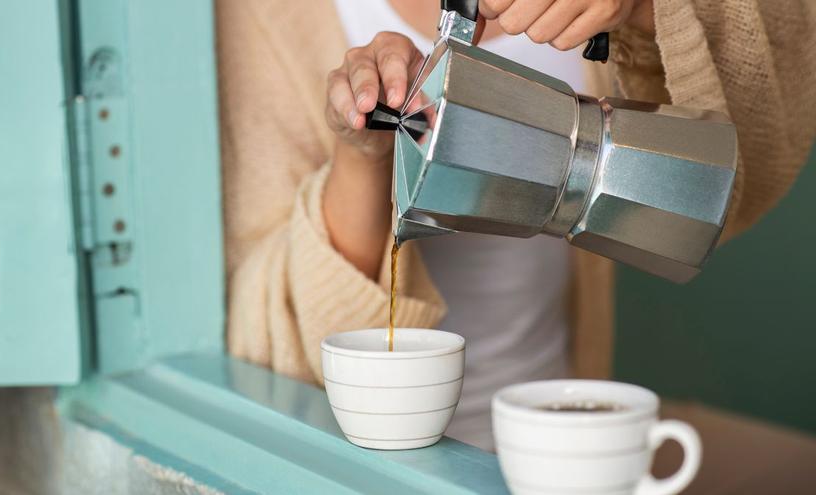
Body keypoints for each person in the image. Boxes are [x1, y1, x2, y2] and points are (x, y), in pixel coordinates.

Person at [216, 0, 815, 451]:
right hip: (354, 470)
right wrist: (363, 156)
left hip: (558, 444)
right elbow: (264, 350)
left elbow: (740, 171)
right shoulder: (265, 19)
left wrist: (642, 10)